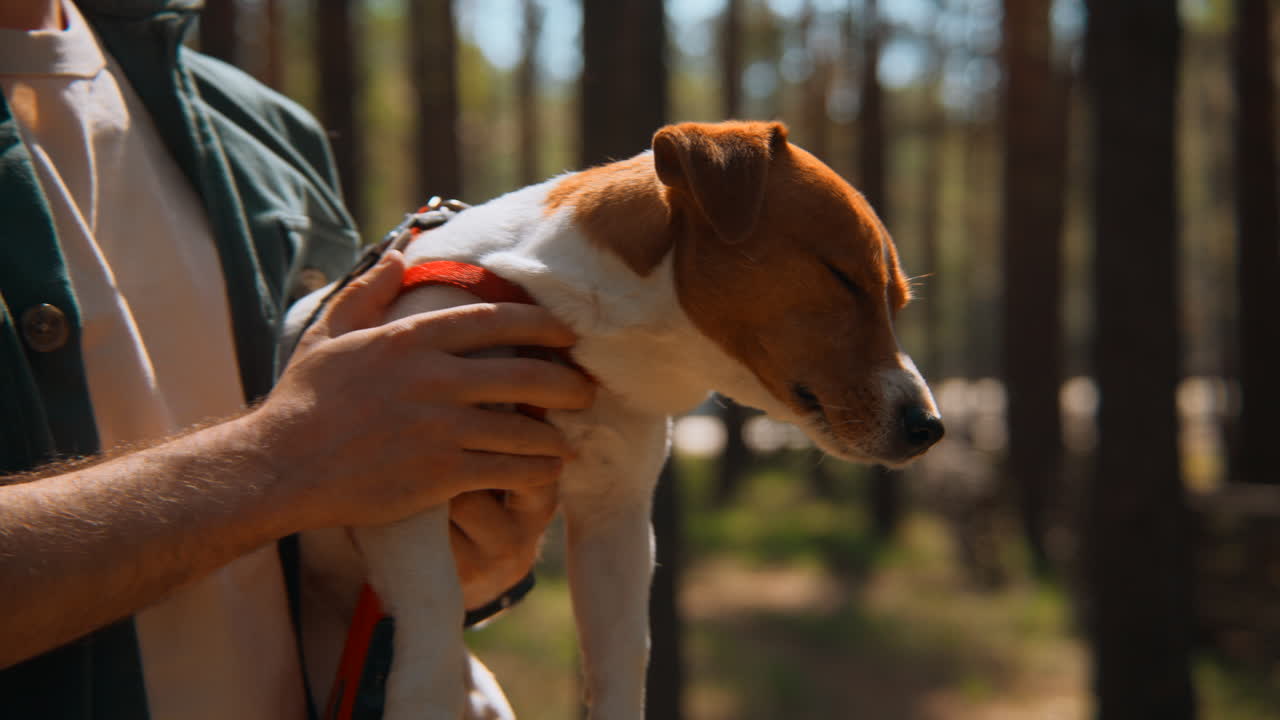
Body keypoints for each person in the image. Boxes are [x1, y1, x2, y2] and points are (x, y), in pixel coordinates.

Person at [0, 1, 595, 718]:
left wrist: (448, 566)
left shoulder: (263, 136)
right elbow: (303, 458)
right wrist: (281, 462)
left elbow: (314, 573)